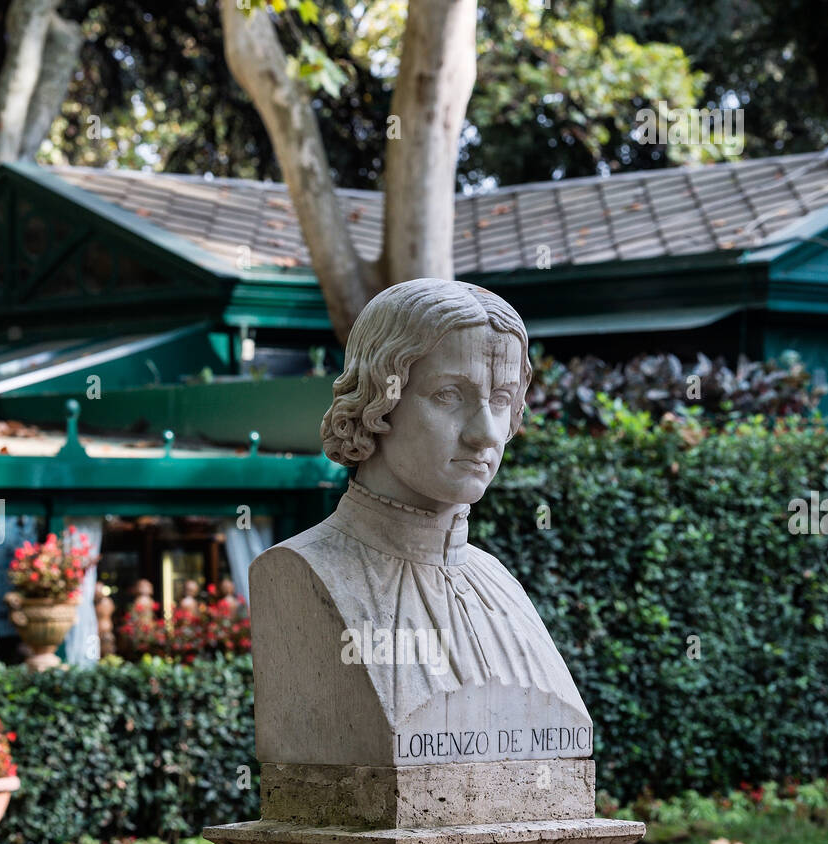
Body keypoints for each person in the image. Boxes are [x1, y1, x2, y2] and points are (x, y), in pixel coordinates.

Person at [248, 278, 591, 767]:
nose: (487, 434)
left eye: (501, 399)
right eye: (450, 395)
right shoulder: (300, 572)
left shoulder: (500, 584)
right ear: (377, 400)